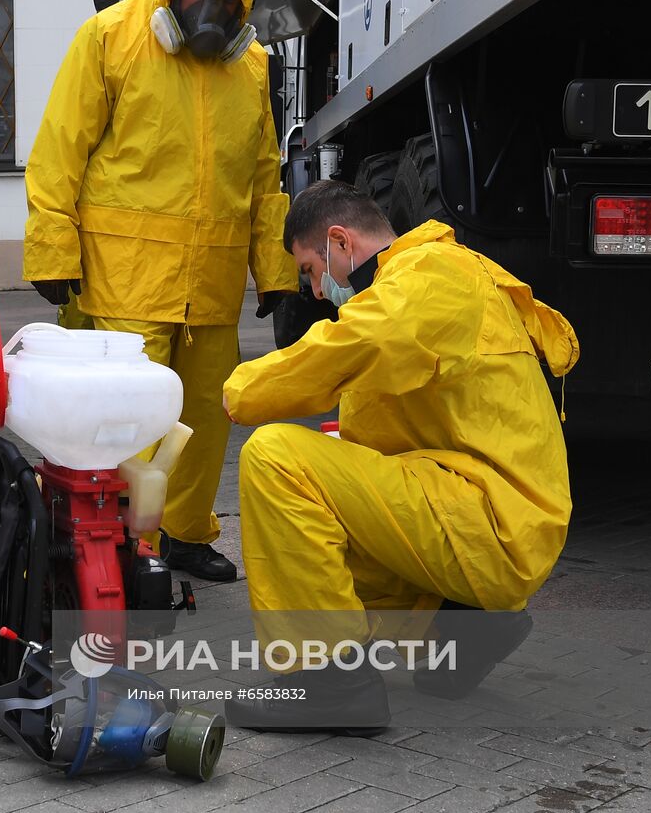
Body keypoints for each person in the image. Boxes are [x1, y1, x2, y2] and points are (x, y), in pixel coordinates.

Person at [220, 180, 579, 732]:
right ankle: (460, 631)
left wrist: (240, 389)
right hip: (477, 509)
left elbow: (355, 346)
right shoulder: (418, 283)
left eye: (312, 270)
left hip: (490, 519)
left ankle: (328, 684)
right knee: (317, 542)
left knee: (274, 456)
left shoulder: (432, 273)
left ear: (340, 242)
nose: (317, 292)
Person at [23, 0, 295, 582]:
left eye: (233, 3)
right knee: (131, 419)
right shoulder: (111, 37)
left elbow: (263, 175)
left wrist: (277, 270)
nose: (217, 13)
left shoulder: (250, 66)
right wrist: (53, 253)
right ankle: (114, 540)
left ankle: (183, 534)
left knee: (202, 417)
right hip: (126, 278)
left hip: (212, 281)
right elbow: (60, 151)